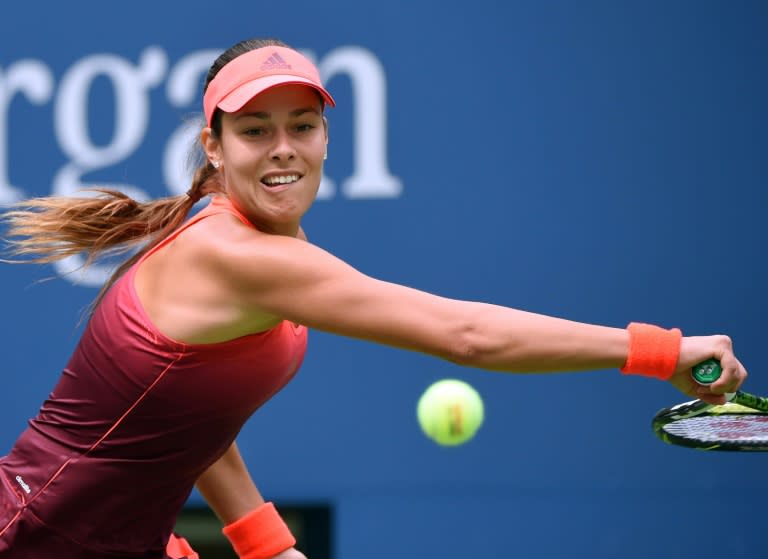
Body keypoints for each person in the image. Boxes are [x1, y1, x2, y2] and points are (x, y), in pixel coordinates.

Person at [0, 37, 747, 559]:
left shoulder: (247, 241)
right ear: (215, 147)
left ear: (327, 137)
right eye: (256, 129)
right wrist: (663, 351)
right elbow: (467, 335)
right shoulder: (235, 256)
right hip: (39, 535)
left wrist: (265, 541)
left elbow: (189, 417)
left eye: (303, 125)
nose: (284, 146)